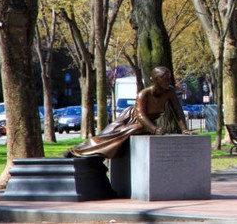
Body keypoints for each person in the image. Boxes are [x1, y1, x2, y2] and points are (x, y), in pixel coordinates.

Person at [64, 66, 192, 158]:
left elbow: (178, 110)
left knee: (133, 131)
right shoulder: (144, 94)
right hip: (130, 118)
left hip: (145, 123)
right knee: (106, 136)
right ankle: (77, 150)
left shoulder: (169, 91)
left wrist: (184, 129)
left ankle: (94, 152)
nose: (169, 82)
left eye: (169, 78)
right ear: (156, 80)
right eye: (165, 79)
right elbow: (141, 115)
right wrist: (155, 129)